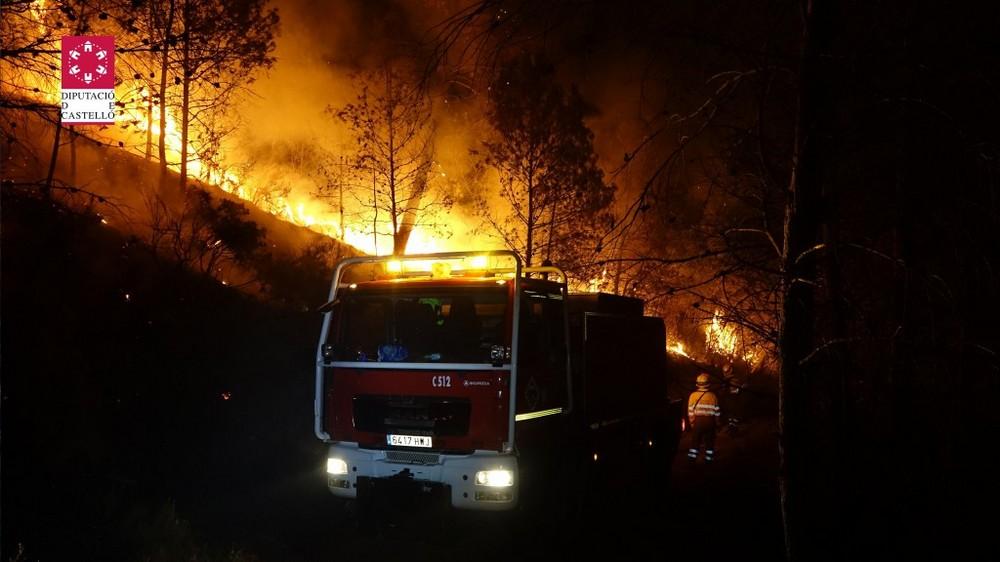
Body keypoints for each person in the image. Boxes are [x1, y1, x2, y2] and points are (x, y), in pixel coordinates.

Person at [687, 373, 721, 462]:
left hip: (698, 422)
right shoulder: (713, 396)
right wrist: (717, 423)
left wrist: (692, 423)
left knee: (695, 442)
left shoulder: (693, 395)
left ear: (697, 384)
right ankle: (708, 460)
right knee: (710, 442)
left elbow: (690, 411)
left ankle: (691, 460)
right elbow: (717, 412)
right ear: (708, 384)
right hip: (710, 422)